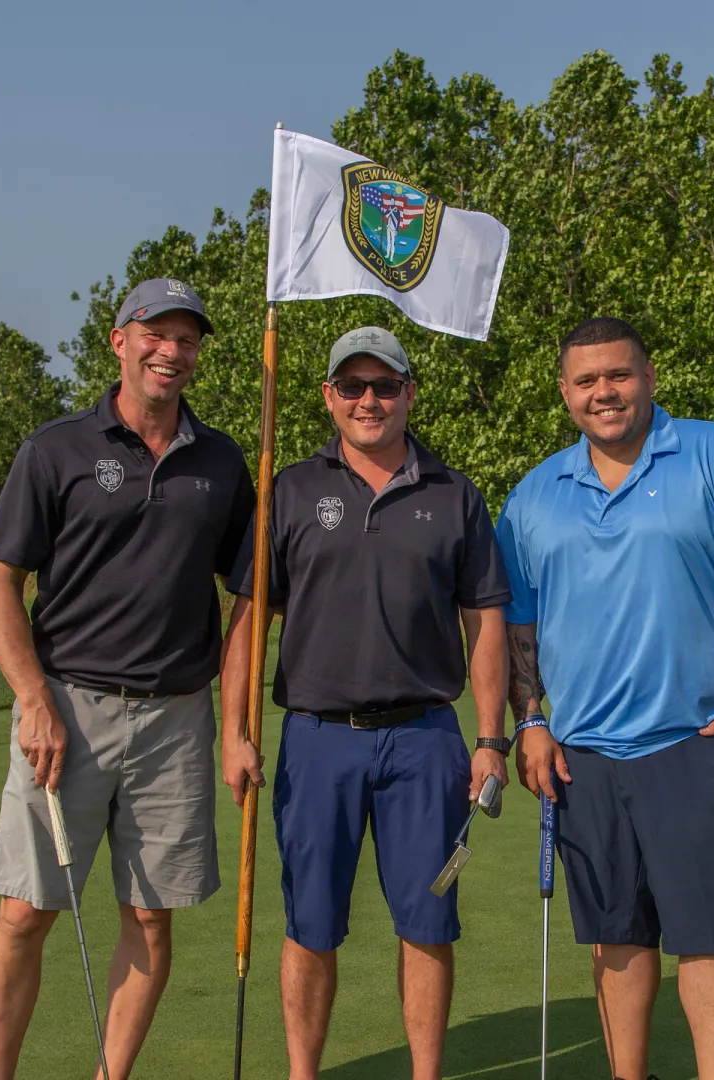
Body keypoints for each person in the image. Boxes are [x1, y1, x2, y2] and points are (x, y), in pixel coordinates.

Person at [497, 317, 714, 1080]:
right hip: (584, 754)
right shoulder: (537, 493)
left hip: (699, 740)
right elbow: (517, 624)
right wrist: (531, 720)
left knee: (707, 936)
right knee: (616, 937)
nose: (603, 393)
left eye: (619, 375)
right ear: (565, 393)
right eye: (585, 381)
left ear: (649, 376)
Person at [0, 278, 255, 1080]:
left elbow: (249, 597)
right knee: (26, 914)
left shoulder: (221, 460)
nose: (172, 350)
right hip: (68, 707)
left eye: (187, 338)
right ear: (118, 342)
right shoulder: (57, 448)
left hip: (176, 722)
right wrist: (33, 700)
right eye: (155, 333)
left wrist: (232, 728)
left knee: (151, 921)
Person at [219, 326, 511, 1080]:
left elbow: (484, 624)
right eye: (353, 387)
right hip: (318, 740)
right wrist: (234, 732)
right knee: (311, 926)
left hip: (424, 740)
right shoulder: (287, 489)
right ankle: (302, 1073)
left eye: (385, 386)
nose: (369, 400)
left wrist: (491, 738)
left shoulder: (454, 494)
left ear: (411, 393)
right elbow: (251, 617)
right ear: (328, 397)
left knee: (428, 923)